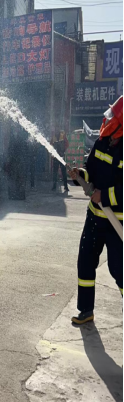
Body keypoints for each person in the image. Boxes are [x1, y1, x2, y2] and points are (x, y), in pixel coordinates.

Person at [68, 96, 122, 325]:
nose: (107, 120)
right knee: (85, 261)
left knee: (119, 269)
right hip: (95, 216)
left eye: (112, 117)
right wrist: (80, 175)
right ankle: (86, 310)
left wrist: (105, 195)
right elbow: (90, 170)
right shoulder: (102, 142)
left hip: (117, 222)